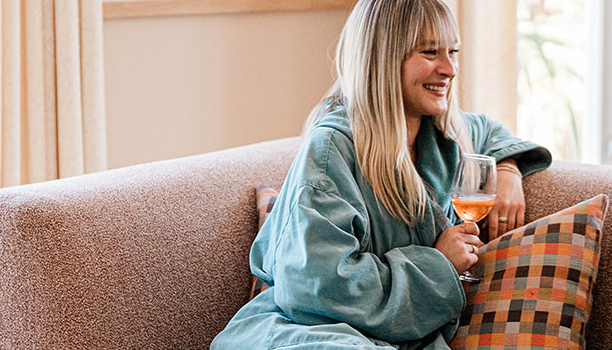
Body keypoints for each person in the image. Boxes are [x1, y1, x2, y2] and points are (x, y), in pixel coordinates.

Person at [210, 0, 552, 348]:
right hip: (311, 330)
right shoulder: (332, 150)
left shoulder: (444, 135)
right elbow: (316, 288)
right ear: (384, 60)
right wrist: (437, 264)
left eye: (453, 51)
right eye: (430, 52)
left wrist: (507, 169)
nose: (449, 68)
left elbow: (491, 132)